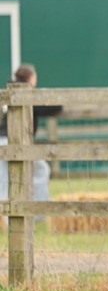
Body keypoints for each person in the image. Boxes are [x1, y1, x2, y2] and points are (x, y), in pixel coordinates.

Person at [0, 64, 63, 203]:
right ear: (31, 78)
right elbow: (55, 108)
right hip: (17, 142)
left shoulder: (10, 92)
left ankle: (4, 217)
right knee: (41, 170)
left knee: (4, 179)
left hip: (2, 140)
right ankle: (38, 209)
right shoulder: (26, 95)